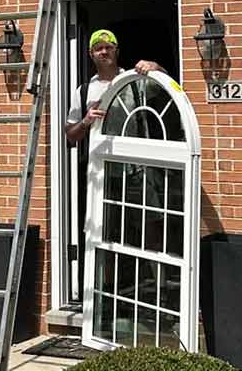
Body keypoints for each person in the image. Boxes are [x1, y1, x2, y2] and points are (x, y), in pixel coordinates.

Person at [65, 28, 164, 296]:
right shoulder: (84, 90)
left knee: (149, 224)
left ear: (117, 51)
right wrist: (86, 120)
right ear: (91, 54)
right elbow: (70, 136)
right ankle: (105, 290)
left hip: (137, 168)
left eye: (109, 47)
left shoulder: (133, 80)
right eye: (99, 48)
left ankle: (159, 285)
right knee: (103, 228)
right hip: (103, 171)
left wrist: (156, 68)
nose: (104, 51)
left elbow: (169, 89)